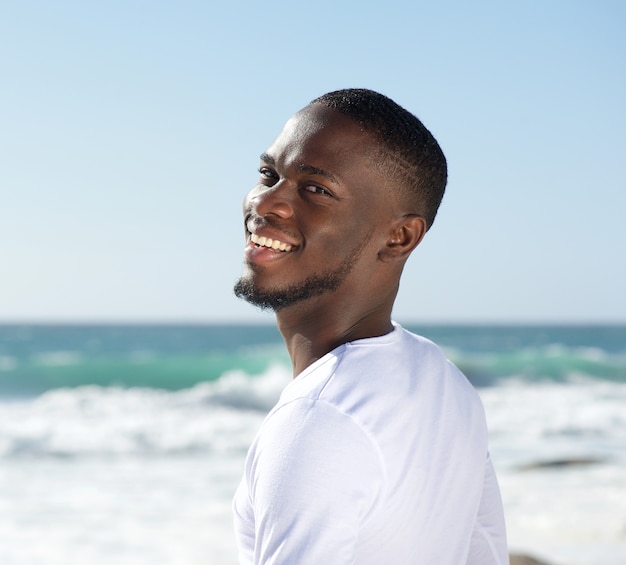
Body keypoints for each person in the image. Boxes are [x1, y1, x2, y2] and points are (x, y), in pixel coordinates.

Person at [232, 88, 508, 564]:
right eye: (268, 174)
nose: (268, 202)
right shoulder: (445, 384)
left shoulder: (318, 420)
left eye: (315, 189)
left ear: (399, 236)